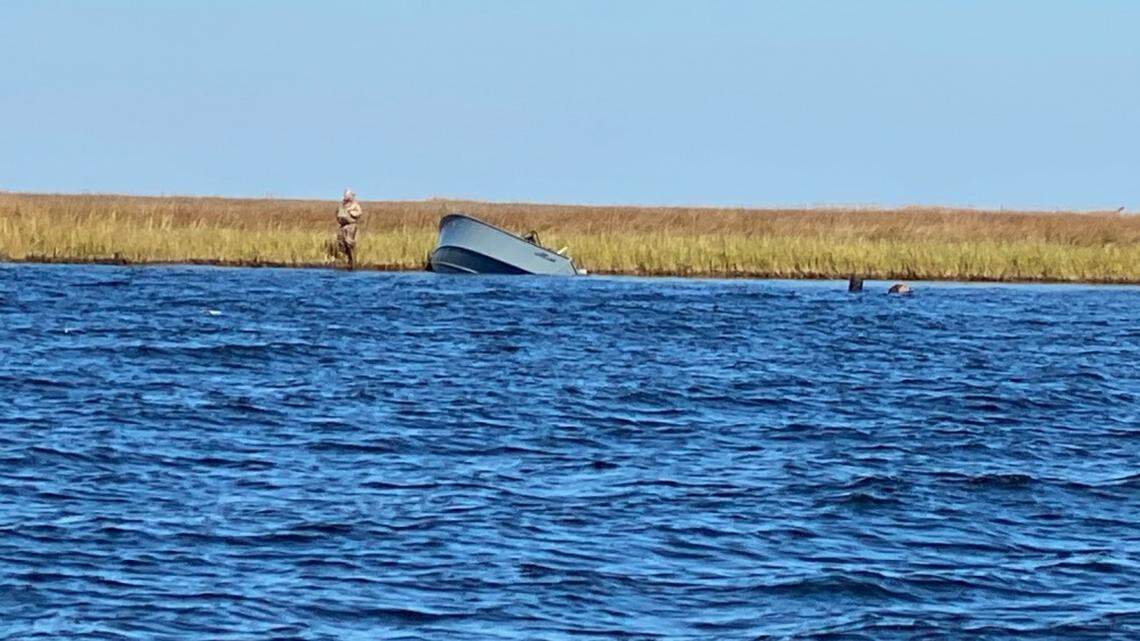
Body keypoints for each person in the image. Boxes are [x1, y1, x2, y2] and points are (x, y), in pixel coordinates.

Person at [335, 189, 363, 269]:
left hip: (350, 226)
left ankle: (352, 260)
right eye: (345, 195)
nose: (345, 197)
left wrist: (351, 212)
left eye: (347, 195)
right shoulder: (342, 204)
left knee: (349, 242)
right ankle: (343, 258)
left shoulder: (355, 204)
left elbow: (359, 213)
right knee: (340, 242)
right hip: (342, 227)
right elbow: (337, 213)